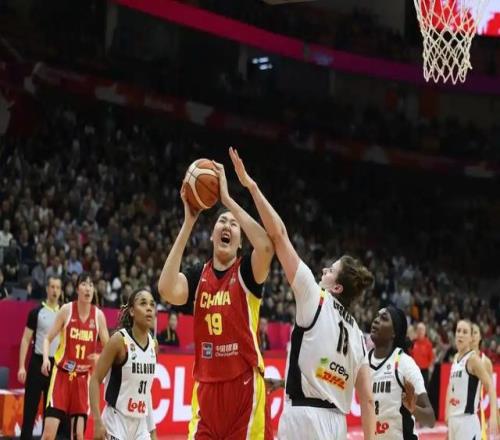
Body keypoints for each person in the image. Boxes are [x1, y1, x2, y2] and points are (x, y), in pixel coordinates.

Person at [228, 147, 376, 440]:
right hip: (337, 426)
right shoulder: (358, 336)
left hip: (303, 420)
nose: (323, 270)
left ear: (337, 287)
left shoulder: (316, 297)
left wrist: (251, 186)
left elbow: (278, 235)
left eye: (331, 270)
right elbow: (367, 399)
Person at [158, 161, 275, 439]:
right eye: (222, 221)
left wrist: (228, 201)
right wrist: (188, 223)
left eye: (234, 224)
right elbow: (166, 289)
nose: (227, 225)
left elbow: (266, 246)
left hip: (244, 386)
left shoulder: (247, 272)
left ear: (239, 242)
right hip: (206, 390)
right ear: (212, 236)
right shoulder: (198, 275)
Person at [40, 272, 109, 440]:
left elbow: (109, 349)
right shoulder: (66, 310)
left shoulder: (98, 316)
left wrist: (100, 357)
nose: (88, 288)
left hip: (83, 380)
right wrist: (45, 359)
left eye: (91, 285)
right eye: (84, 284)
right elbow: (47, 338)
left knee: (78, 435)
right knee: (48, 435)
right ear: (77, 288)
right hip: (61, 376)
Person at [89, 288, 157, 440]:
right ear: (132, 311)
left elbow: (147, 392)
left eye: (152, 305)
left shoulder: (154, 345)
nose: (149, 308)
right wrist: (97, 421)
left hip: (140, 426)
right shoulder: (119, 341)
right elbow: (95, 379)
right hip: (116, 421)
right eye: (143, 303)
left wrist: (152, 431)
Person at [369, 306, 435, 439]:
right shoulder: (364, 362)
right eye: (377, 316)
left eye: (383, 318)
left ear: (394, 332)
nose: (376, 320)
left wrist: (413, 409)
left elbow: (430, 419)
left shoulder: (404, 363)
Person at [18, 276, 67, 439]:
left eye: (58, 287)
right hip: (37, 363)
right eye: (52, 287)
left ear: (61, 291)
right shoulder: (36, 312)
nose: (55, 290)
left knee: (51, 412)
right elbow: (26, 340)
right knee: (30, 409)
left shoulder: (64, 314)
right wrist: (21, 366)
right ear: (47, 289)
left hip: (56, 367)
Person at [446, 319, 498, 440]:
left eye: (465, 332)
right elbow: (452, 388)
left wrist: (493, 415)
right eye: (458, 331)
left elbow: (490, 386)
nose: (460, 334)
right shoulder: (455, 358)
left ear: (471, 338)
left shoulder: (473, 360)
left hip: (467, 421)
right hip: (454, 419)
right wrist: (448, 411)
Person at [471, 323, 494, 440]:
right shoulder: (459, 358)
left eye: (475, 333)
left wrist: (494, 414)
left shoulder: (486, 362)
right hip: (459, 411)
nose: (473, 336)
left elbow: (491, 390)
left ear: (480, 337)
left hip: (477, 410)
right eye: (471, 333)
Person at [410, 322, 434, 388]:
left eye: (422, 329)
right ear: (416, 331)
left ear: (425, 331)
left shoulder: (428, 344)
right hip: (414, 371)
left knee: (424, 390)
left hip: (424, 372)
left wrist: (426, 366)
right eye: (419, 329)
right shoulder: (412, 343)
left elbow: (431, 358)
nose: (420, 331)